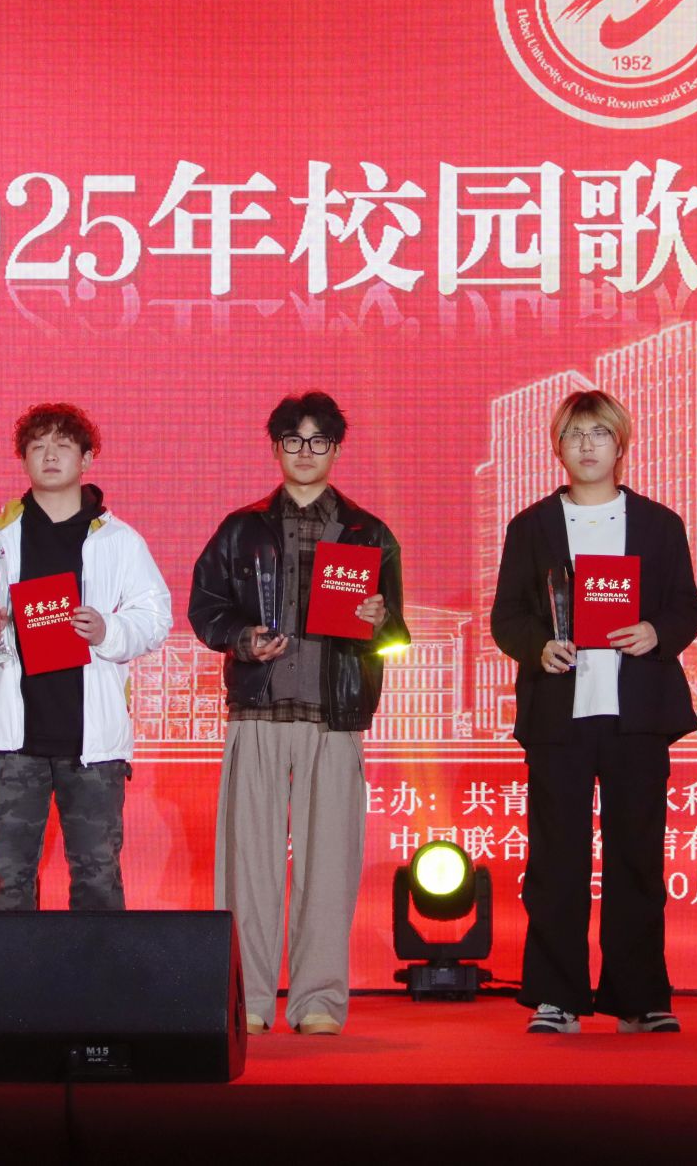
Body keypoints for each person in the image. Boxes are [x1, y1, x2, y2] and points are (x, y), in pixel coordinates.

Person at [188, 392, 408, 1035]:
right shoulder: (241, 528)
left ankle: (318, 1000)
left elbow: (395, 633)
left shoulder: (369, 533)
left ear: (336, 449)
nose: (305, 452)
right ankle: (249, 1001)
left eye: (318, 441)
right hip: (257, 711)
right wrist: (242, 639)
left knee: (329, 866)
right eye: (293, 440)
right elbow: (206, 609)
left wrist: (377, 621)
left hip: (333, 718)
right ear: (276, 447)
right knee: (247, 867)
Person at [490, 389, 697, 1035]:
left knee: (636, 857)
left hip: (637, 713)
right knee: (556, 859)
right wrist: (539, 646)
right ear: (558, 447)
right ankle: (556, 995)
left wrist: (656, 632)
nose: (587, 445)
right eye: (575, 434)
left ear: (621, 444)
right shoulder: (531, 527)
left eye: (600, 433)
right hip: (560, 713)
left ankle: (639, 997)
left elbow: (687, 605)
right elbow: (507, 616)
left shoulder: (659, 524)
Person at [0, 403, 172, 912]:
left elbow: (155, 618)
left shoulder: (119, 539)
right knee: (7, 880)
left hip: (92, 741)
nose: (49, 456)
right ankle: (12, 971)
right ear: (23, 459)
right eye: (37, 447)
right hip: (14, 740)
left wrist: (108, 630)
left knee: (98, 878)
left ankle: (95, 970)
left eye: (62, 446)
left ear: (86, 459)